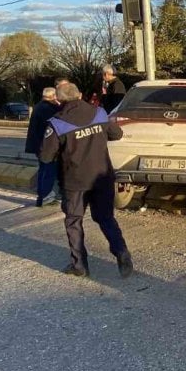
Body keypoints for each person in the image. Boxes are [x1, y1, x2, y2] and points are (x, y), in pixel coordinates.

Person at [40, 82, 134, 278]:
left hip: (75, 182)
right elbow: (117, 134)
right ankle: (122, 253)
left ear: (59, 100)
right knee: (106, 218)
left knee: (74, 221)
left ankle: (80, 266)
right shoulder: (99, 113)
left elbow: (46, 157)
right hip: (102, 177)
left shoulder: (57, 123)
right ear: (80, 95)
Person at [25, 87, 62, 207]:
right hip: (46, 145)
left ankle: (42, 196)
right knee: (48, 170)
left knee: (42, 170)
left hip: (38, 145)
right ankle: (46, 195)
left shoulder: (39, 106)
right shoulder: (48, 109)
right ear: (53, 96)